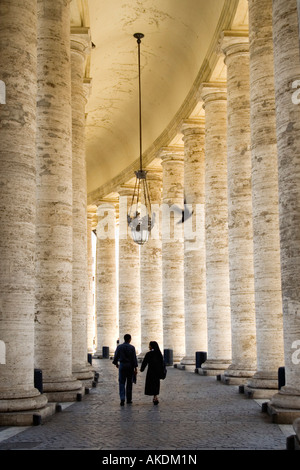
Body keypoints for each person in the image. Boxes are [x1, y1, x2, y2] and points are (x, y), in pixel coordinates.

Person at [113, 334, 138, 406]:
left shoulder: (119, 347)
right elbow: (134, 358)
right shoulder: (132, 347)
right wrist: (135, 368)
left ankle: (122, 398)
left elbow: (116, 355)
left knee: (121, 382)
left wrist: (116, 363)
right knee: (129, 382)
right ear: (130, 339)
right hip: (130, 366)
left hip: (122, 365)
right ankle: (129, 399)